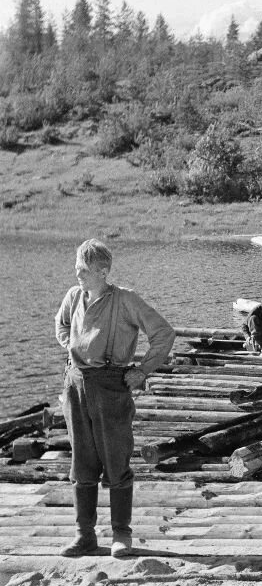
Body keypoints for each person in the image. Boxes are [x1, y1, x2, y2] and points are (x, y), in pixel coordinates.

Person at [55, 238, 175, 558]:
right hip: (76, 386)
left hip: (111, 387)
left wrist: (143, 371)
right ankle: (85, 536)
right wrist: (73, 353)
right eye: (78, 267)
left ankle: (122, 534)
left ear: (103, 271)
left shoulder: (126, 300)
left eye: (83, 269)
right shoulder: (72, 296)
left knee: (116, 462)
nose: (77, 274)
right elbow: (62, 326)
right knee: (82, 464)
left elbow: (164, 334)